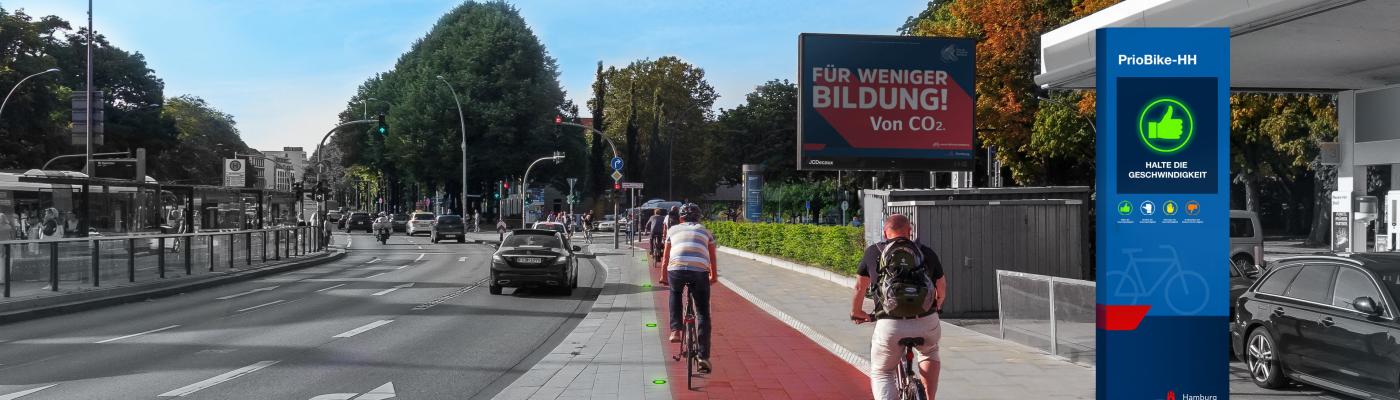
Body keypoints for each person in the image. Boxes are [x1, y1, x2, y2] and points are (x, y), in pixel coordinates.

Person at [851, 213, 945, 400]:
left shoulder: (874, 251)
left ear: (885, 234)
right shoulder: (925, 252)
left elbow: (859, 287)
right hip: (926, 319)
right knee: (929, 352)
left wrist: (857, 312)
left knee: (883, 371)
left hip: (890, 323)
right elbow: (941, 287)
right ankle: (928, 396)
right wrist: (937, 307)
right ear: (910, 232)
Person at [660, 203, 717, 373]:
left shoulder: (673, 230)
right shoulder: (705, 231)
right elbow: (712, 257)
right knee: (703, 313)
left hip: (676, 269)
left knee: (675, 293)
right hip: (699, 272)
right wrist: (713, 276)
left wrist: (664, 276)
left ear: (681, 218)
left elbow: (666, 256)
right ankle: (703, 357)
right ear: (698, 218)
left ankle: (676, 330)